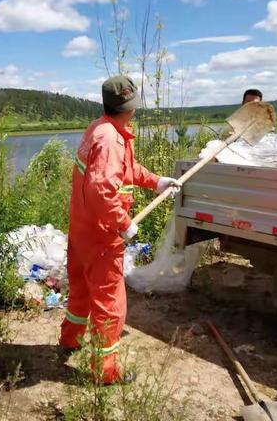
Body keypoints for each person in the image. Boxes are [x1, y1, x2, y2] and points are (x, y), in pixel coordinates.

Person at [59, 75, 181, 385]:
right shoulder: (111, 139)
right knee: (110, 304)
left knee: (81, 291)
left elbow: (125, 171)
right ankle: (106, 373)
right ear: (132, 106)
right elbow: (102, 189)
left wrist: (156, 181)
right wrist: (122, 223)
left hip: (83, 232)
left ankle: (70, 339)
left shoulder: (100, 129)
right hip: (101, 237)